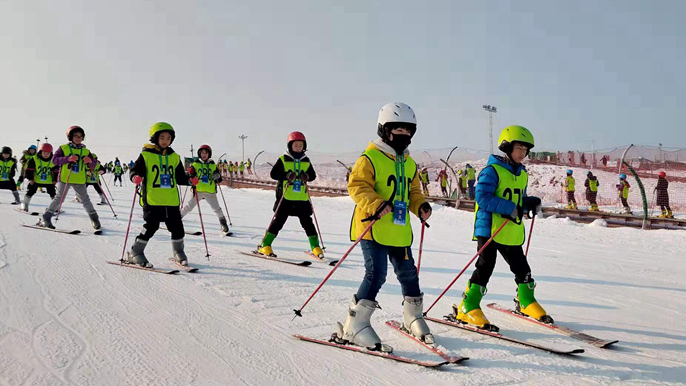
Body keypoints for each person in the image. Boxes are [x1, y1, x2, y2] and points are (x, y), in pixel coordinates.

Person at [334, 102, 433, 353]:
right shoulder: (370, 158)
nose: (403, 135)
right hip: (373, 226)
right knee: (376, 274)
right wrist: (376, 204)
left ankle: (412, 317)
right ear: (384, 130)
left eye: (408, 130)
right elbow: (357, 186)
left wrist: (420, 205)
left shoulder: (409, 163)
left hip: (399, 229)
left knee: (409, 273)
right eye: (397, 130)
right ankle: (354, 325)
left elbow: (413, 191)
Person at [449, 125, 551, 331]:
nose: (523, 153)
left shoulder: (522, 173)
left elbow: (517, 197)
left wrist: (529, 202)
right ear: (507, 147)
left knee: (521, 266)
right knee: (486, 266)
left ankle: (526, 302)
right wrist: (511, 208)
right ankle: (468, 306)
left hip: (509, 229)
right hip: (489, 228)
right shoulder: (491, 171)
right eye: (519, 148)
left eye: (525, 150)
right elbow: (482, 198)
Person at [126, 122, 197, 268]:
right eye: (162, 137)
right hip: (153, 199)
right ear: (155, 138)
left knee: (177, 228)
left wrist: (190, 181)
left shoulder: (174, 157)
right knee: (151, 226)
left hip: (171, 200)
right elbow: (135, 170)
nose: (165, 141)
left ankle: (178, 252)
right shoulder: (146, 155)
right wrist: (135, 177)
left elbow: (179, 177)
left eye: (168, 138)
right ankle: (136, 252)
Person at [256, 131, 324, 258]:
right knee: (279, 221)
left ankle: (315, 247)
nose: (298, 148)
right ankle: (265, 244)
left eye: (300, 145)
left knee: (308, 223)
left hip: (301, 198)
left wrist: (306, 176)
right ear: (290, 146)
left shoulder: (306, 160)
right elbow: (274, 174)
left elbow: (313, 176)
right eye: (296, 145)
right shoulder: (283, 159)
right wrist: (286, 175)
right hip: (286, 197)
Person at [38, 126, 101, 230]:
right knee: (59, 199)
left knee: (85, 200)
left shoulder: (86, 151)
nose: (78, 138)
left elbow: (93, 165)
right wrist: (68, 159)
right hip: (65, 178)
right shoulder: (63, 148)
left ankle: (94, 219)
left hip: (79, 180)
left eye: (80, 136)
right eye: (75, 135)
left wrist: (90, 161)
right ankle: (46, 217)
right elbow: (54, 160)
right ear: (70, 136)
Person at [180, 144, 230, 234]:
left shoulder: (213, 165)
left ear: (209, 154)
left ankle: (224, 224)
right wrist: (191, 175)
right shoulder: (195, 164)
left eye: (206, 153)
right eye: (202, 153)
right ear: (199, 154)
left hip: (210, 192)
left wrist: (217, 176)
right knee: (189, 207)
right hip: (197, 191)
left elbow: (219, 179)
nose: (204, 155)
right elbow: (189, 175)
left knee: (217, 209)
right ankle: (177, 220)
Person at [21, 143, 59, 211]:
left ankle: (55, 207)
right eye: (44, 152)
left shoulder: (53, 160)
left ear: (51, 153)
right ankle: (25, 204)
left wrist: (55, 180)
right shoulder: (35, 159)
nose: (46, 154)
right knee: (31, 191)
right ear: (40, 152)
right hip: (36, 179)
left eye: (48, 153)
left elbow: (56, 171)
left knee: (53, 193)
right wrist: (31, 179)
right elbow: (29, 170)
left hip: (49, 180)